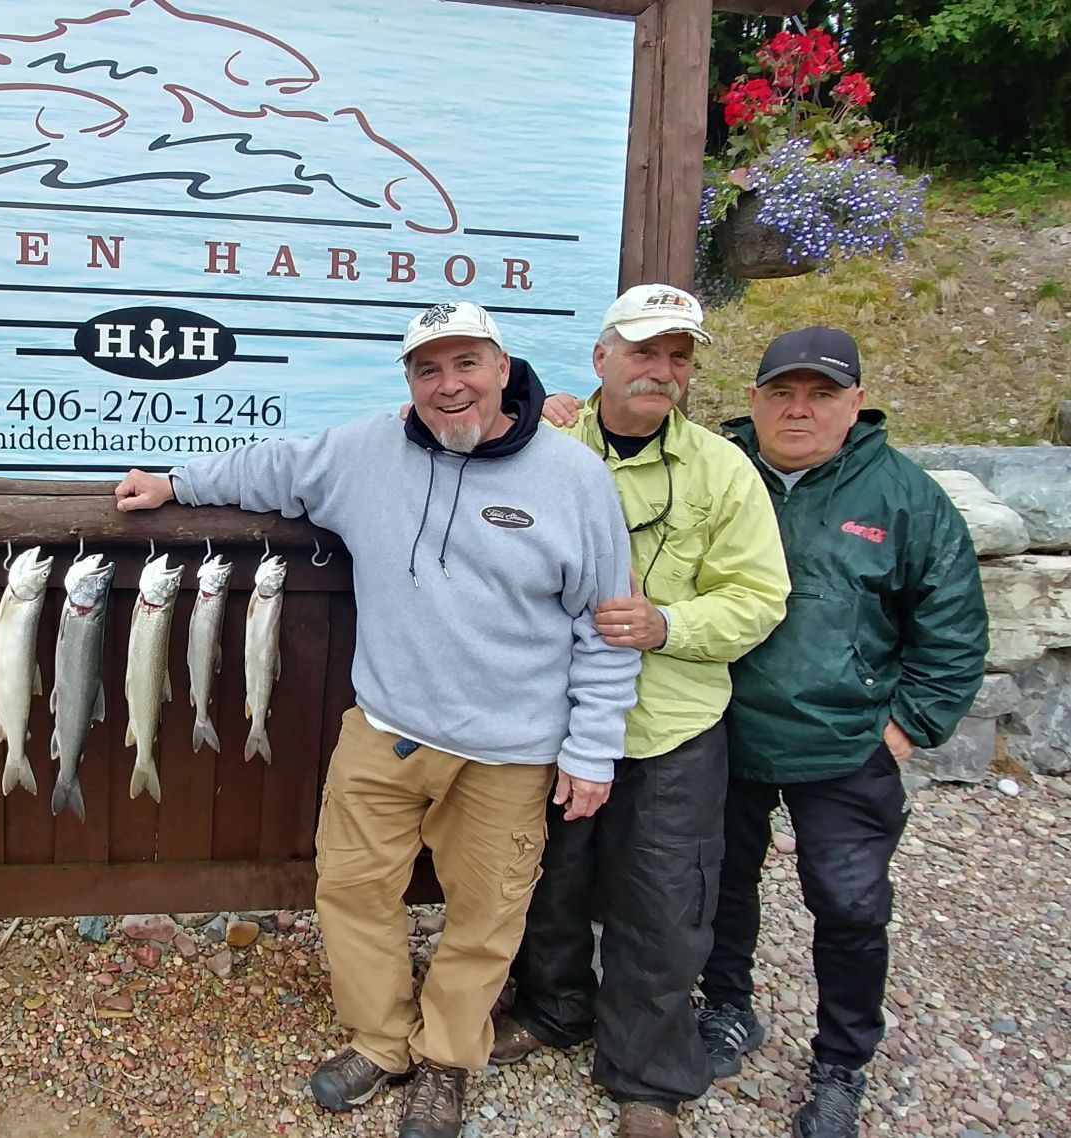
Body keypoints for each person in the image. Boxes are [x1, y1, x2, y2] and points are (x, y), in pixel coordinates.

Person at [114, 302, 640, 1138]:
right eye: (427, 370)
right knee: (353, 890)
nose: (448, 384)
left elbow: (610, 624)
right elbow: (276, 465)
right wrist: (176, 485)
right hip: (387, 729)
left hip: (512, 751)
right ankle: (381, 1040)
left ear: (503, 367)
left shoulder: (576, 480)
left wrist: (593, 750)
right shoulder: (368, 451)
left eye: (466, 363)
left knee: (487, 913)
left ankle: (445, 1061)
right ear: (409, 382)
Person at [488, 285, 790, 1138]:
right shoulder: (539, 446)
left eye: (678, 357)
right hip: (549, 715)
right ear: (601, 360)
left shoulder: (725, 471)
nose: (662, 371)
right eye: (645, 353)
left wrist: (669, 624)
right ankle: (554, 1010)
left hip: (673, 726)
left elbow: (761, 597)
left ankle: (648, 1077)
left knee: (661, 904)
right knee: (547, 883)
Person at [696, 327, 987, 1138]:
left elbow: (953, 625)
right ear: (752, 401)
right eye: (781, 393)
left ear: (855, 404)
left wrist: (905, 730)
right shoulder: (720, 472)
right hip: (725, 729)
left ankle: (842, 1061)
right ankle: (727, 1007)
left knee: (851, 906)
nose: (799, 410)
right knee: (721, 883)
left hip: (846, 741)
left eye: (822, 394)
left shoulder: (903, 496)